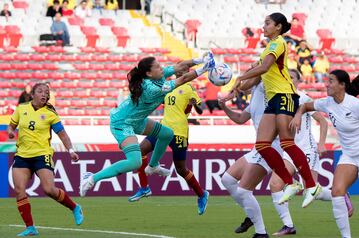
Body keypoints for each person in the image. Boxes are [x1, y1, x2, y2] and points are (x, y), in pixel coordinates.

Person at [79, 53, 215, 197]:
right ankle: (92, 178)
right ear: (149, 73)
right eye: (157, 66)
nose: (161, 67)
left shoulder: (158, 76)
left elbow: (181, 66)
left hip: (137, 120)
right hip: (122, 123)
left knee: (167, 133)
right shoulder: (151, 88)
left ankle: (153, 166)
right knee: (135, 162)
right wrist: (203, 69)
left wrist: (200, 60)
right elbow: (183, 79)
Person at [231, 12, 321, 207]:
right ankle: (291, 183)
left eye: (267, 23)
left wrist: (240, 77)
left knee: (287, 142)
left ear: (278, 27)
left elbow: (263, 68)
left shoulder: (278, 43)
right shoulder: (266, 51)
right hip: (273, 99)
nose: (263, 26)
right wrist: (235, 88)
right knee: (262, 145)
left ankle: (312, 185)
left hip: (286, 95)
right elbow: (253, 79)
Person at [7, 83, 83, 237]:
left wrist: (71, 150)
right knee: (19, 190)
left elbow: (62, 134)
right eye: (40, 91)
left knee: (48, 189)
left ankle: (74, 207)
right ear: (32, 94)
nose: (44, 94)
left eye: (46, 92)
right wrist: (10, 132)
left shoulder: (50, 113)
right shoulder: (21, 108)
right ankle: (30, 228)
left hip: (42, 154)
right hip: (22, 155)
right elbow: (11, 126)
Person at [129, 68, 208, 215]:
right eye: (179, 69)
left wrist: (194, 104)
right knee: (140, 150)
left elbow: (201, 110)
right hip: (163, 129)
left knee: (181, 169)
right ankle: (144, 187)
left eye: (184, 69)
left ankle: (202, 194)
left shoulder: (189, 88)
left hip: (179, 132)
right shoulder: (168, 86)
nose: (180, 71)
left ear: (188, 71)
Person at [290, 70, 359, 238]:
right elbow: (305, 106)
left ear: (342, 85)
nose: (327, 84)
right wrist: (298, 115)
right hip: (349, 155)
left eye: (331, 81)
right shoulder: (327, 103)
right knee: (337, 192)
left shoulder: (354, 105)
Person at [269, 69, 336, 236]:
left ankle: (340, 195)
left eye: (292, 77)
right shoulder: (279, 99)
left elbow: (323, 122)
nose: (289, 79)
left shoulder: (303, 98)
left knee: (311, 191)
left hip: (307, 148)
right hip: (288, 149)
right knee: (275, 184)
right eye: (287, 77)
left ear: (298, 81)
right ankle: (288, 225)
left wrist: (321, 144)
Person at [221, 78, 277, 238]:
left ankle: (261, 232)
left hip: (270, 146)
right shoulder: (254, 98)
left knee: (244, 191)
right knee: (227, 179)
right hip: (258, 147)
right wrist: (224, 107)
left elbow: (251, 78)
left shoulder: (265, 87)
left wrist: (236, 86)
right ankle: (251, 216)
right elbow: (240, 119)